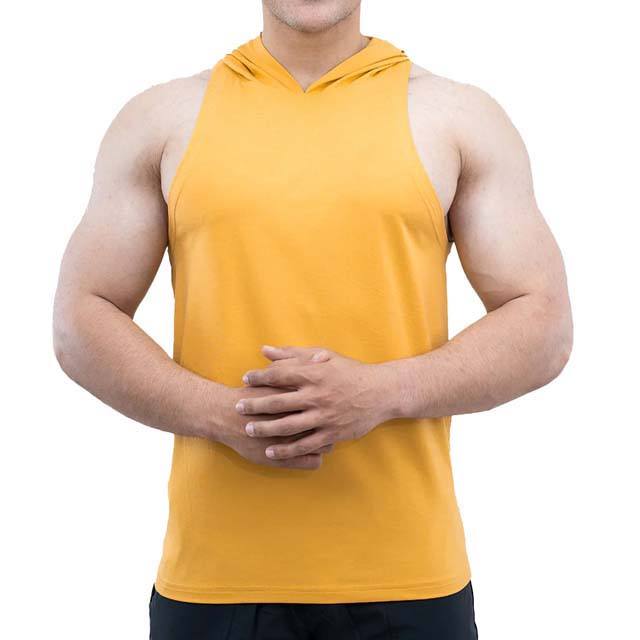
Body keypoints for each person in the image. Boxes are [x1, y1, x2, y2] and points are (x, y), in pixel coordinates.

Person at [52, 1, 573, 638]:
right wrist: (223, 414)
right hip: (215, 580)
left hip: (409, 579)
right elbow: (81, 318)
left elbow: (542, 322)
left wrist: (381, 392)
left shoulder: (459, 117)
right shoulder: (161, 119)